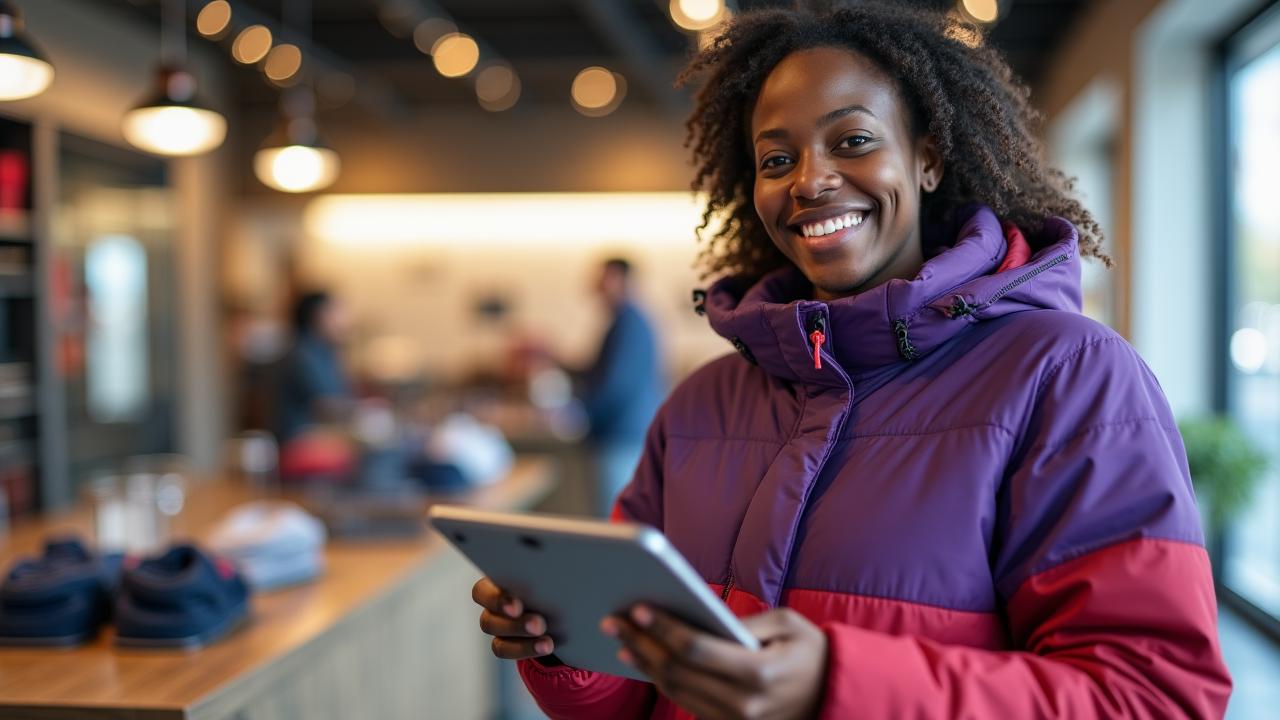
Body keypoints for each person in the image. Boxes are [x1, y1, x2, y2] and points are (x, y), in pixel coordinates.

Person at [471, 5, 1231, 719]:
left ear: (927, 158)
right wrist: (571, 642)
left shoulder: (1067, 375)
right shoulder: (701, 404)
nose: (809, 180)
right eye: (777, 158)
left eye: (854, 140)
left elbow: (1152, 695)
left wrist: (837, 684)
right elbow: (642, 692)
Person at [577, 258, 663, 516]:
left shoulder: (629, 323)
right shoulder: (625, 321)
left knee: (614, 518)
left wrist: (579, 412)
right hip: (623, 433)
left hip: (621, 435)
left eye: (604, 278)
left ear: (621, 280)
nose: (597, 285)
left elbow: (616, 386)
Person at [277, 291, 353, 443]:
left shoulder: (323, 351)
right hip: (302, 439)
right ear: (318, 316)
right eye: (335, 312)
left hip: (320, 433)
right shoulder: (304, 354)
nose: (343, 320)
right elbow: (325, 408)